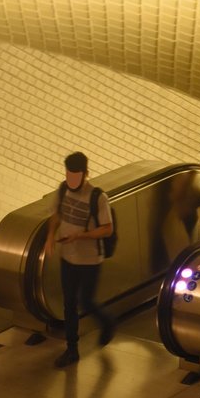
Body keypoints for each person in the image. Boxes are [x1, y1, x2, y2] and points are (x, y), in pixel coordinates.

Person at [46, 151, 116, 369]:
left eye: (76, 176)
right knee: (69, 304)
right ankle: (72, 349)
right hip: (68, 258)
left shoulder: (97, 197)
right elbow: (57, 214)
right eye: (68, 175)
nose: (71, 180)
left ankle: (107, 322)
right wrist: (50, 236)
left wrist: (81, 236)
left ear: (85, 173)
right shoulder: (63, 189)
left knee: (86, 301)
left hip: (90, 260)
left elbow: (107, 229)